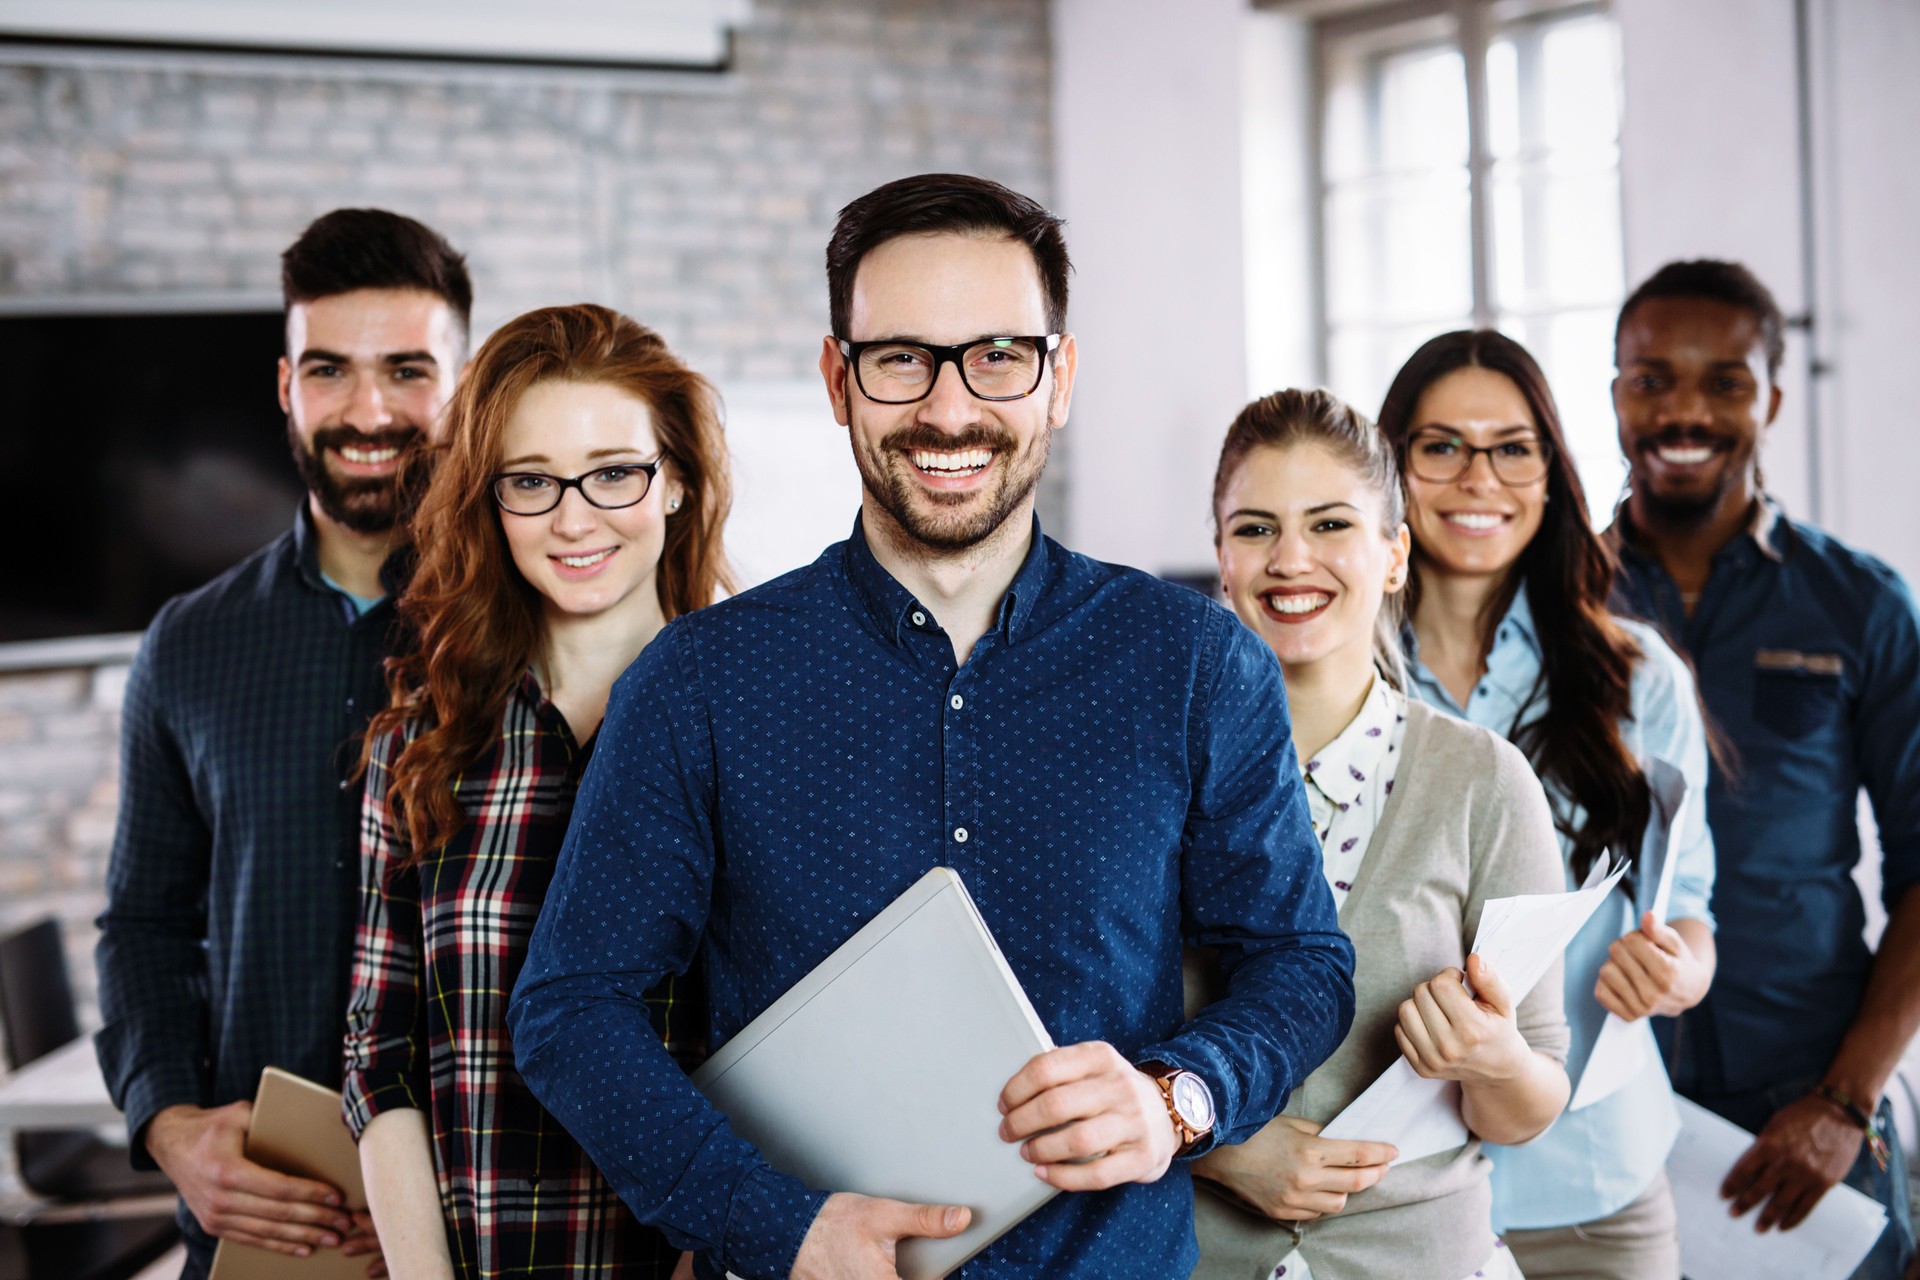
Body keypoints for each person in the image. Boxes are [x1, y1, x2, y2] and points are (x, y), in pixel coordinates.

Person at [506, 173, 1357, 1280]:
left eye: (998, 354)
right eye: (901, 357)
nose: (949, 409)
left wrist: (1180, 1098)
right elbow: (571, 1007)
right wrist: (773, 1219)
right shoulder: (698, 680)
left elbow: (1300, 961)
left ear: (1059, 379)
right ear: (837, 378)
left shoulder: (1195, 662)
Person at [94, 208, 470, 1278]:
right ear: (284, 387)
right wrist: (169, 1122)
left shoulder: (538, 624)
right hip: (270, 1231)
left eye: (407, 370)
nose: (368, 410)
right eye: (329, 370)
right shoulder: (191, 643)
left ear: (464, 382)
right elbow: (144, 925)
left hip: (495, 1225)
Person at [341, 304, 728, 1279]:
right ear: (488, 498)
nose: (573, 515)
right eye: (531, 480)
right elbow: (378, 1056)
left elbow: (787, 1054)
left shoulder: (758, 730)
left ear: (675, 480)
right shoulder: (420, 747)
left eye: (614, 470)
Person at [1190, 388, 1570, 1280]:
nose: (1290, 560)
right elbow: (1069, 1037)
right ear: (1221, 559)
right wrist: (1211, 1140)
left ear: (1394, 555)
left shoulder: (1485, 783)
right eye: (1254, 530)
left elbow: (1533, 1098)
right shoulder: (1147, 777)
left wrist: (1492, 1058)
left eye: (1329, 525)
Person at [1371, 328, 1719, 1278]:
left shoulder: (1639, 678)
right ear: (1391, 471)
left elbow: (1689, 909)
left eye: (1512, 448)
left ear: (1552, 473)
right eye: (1440, 446)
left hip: (1589, 1185)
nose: (1477, 478)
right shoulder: (1332, 678)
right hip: (1385, 1191)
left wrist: (1674, 973)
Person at [1608, 260, 1920, 1278]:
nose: (1683, 411)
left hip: (1811, 1092)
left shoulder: (1861, 606)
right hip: (1605, 1090)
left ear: (1772, 399)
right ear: (1615, 392)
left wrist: (1845, 1101)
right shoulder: (1559, 601)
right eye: (1651, 378)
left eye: (1724, 381)